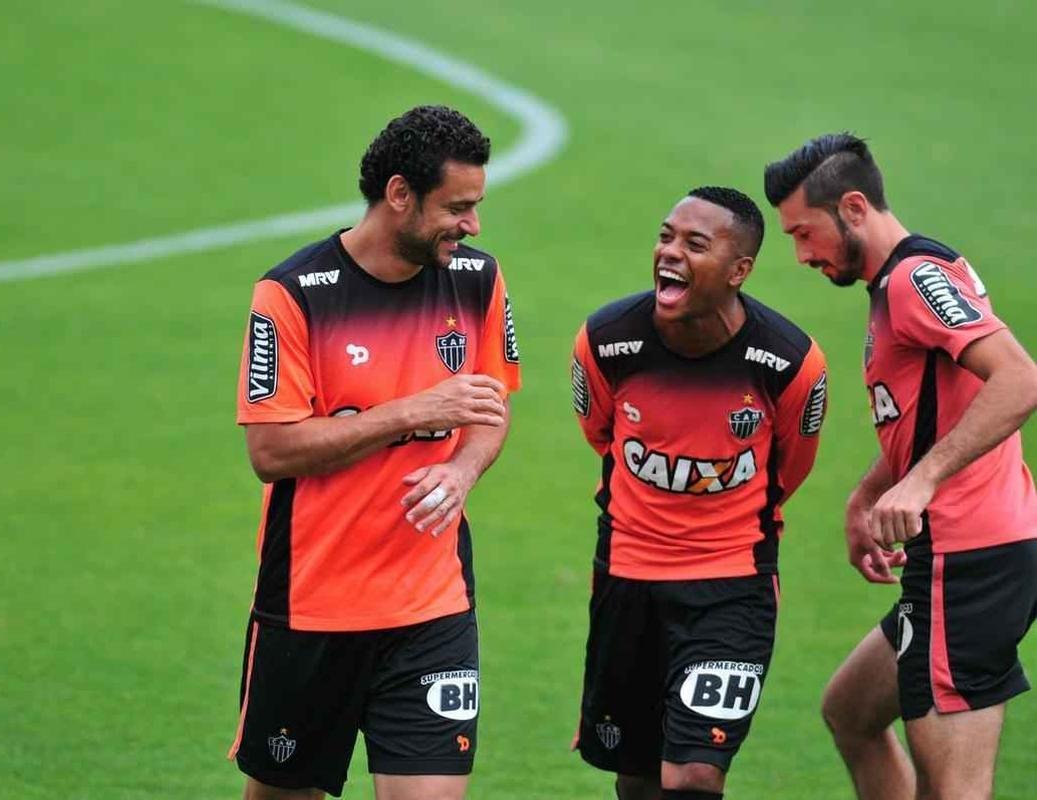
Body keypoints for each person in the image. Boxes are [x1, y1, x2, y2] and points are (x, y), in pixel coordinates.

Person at [229, 105, 521, 800]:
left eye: (476, 207)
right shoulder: (293, 294)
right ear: (399, 195)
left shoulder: (476, 279)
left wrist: (461, 467)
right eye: (456, 207)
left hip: (432, 604)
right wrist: (413, 412)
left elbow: (488, 409)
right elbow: (271, 451)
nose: (471, 225)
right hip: (311, 606)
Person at [764, 132, 1037, 800]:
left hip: (965, 558)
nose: (801, 255)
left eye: (805, 234)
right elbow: (934, 411)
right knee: (851, 712)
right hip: (960, 554)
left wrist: (920, 482)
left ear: (852, 208)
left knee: (953, 790)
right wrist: (868, 493)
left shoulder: (914, 280)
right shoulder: (900, 280)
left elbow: (1018, 380)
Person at [571, 186, 828, 800]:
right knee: (636, 775)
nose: (670, 253)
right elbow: (601, 436)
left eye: (695, 244)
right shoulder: (606, 340)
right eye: (666, 236)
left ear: (739, 270)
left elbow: (788, 469)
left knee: (693, 774)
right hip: (628, 578)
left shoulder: (790, 363)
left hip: (730, 586)